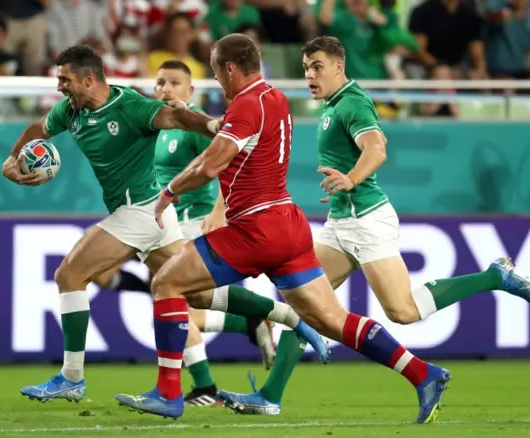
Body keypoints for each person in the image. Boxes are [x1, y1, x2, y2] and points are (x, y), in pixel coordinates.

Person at [114, 33, 450, 424]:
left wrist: (168, 192)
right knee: (331, 320)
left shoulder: (246, 104)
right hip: (289, 225)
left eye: (216, 71)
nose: (217, 80)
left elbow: (211, 164)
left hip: (254, 229)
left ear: (229, 68)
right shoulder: (275, 98)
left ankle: (171, 393)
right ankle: (423, 374)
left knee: (166, 283)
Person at [217, 35, 530, 420]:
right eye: (305, 69)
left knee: (403, 310)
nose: (310, 75)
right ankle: (270, 395)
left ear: (338, 66)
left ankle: (494, 276)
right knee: (302, 302)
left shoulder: (353, 102)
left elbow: (377, 147)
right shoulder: (334, 104)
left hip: (366, 220)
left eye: (317, 66)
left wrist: (351, 179)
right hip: (341, 223)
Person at [1, 44, 324, 404]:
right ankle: (290, 316)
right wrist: (13, 158)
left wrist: (214, 124)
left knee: (68, 275)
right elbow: (37, 129)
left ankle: (71, 377)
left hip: (138, 210)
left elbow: (178, 118)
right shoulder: (69, 111)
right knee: (198, 293)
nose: (59, 86)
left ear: (89, 79)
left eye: (65, 79)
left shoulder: (130, 106)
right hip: (156, 213)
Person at [94, 59, 277, 407]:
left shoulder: (193, 127)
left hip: (191, 220)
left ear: (190, 91)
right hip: (152, 219)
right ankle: (251, 322)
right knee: (106, 275)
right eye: (161, 82)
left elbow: (228, 164)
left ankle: (206, 384)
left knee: (177, 303)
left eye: (175, 83)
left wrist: (218, 211)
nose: (166, 89)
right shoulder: (154, 125)